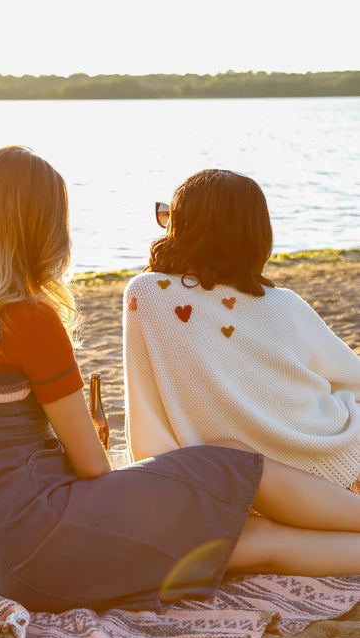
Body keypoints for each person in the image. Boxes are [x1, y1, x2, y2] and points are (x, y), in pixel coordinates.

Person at [0, 146, 360, 614]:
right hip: (52, 536)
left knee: (248, 537)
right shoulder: (29, 319)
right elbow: (94, 467)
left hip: (7, 560)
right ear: (40, 229)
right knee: (236, 463)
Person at [123, 169, 360, 489]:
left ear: (185, 228)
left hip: (235, 481)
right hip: (332, 455)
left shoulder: (146, 294)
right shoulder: (285, 304)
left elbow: (146, 417)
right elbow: (352, 377)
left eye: (171, 217)